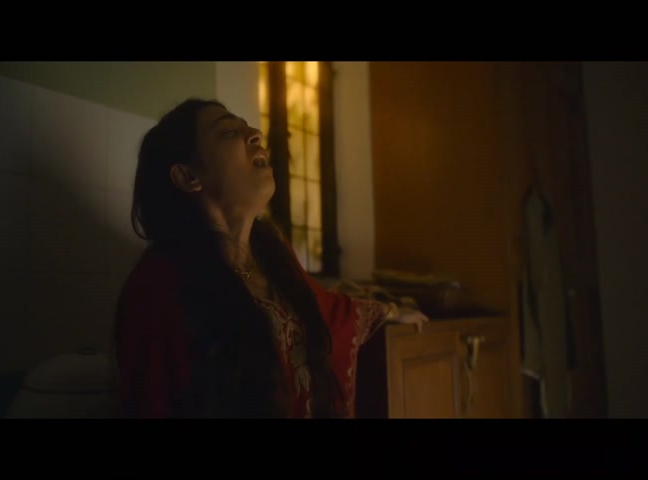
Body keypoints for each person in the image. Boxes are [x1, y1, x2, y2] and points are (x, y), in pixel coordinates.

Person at [114, 98, 428, 419]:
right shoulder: (157, 287)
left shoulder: (272, 251)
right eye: (228, 132)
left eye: (246, 126)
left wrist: (390, 310)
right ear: (187, 176)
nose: (255, 133)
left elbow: (328, 312)